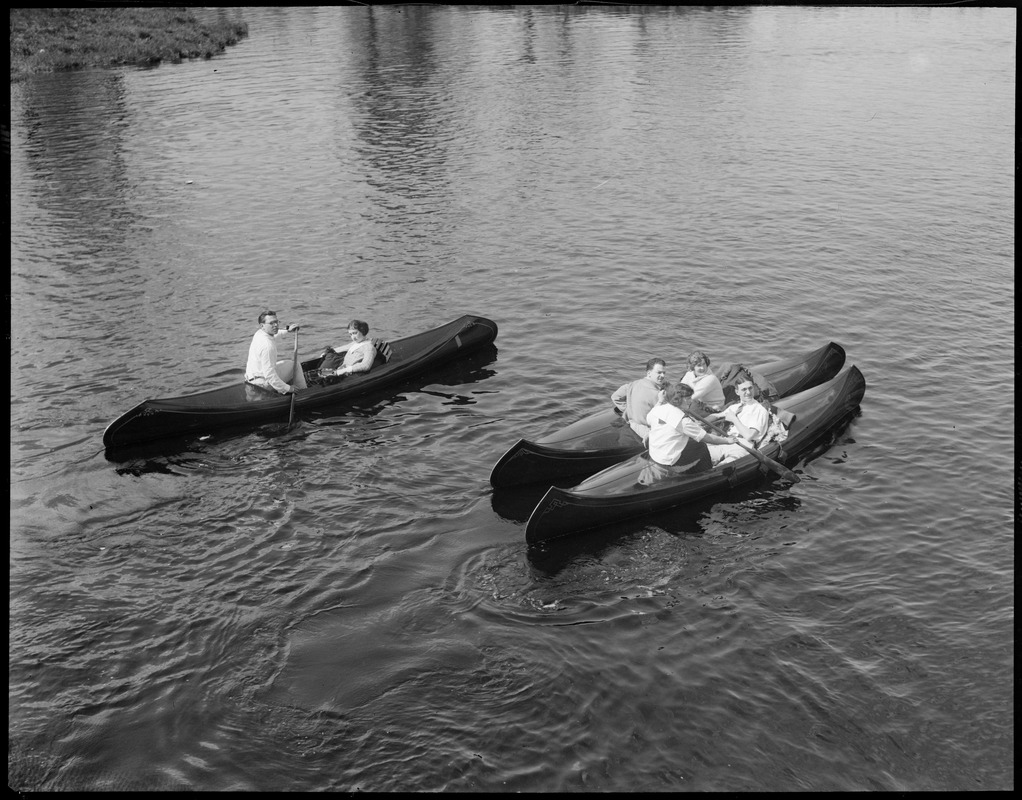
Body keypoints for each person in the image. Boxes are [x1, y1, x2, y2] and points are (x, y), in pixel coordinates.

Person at [645, 381, 737, 472]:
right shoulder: (683, 420)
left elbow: (649, 419)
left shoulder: (658, 408)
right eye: (688, 398)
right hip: (669, 461)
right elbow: (706, 438)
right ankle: (707, 473)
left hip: (655, 455)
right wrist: (727, 441)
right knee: (701, 446)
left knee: (690, 441)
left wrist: (660, 401)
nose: (691, 401)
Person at [704, 378, 772, 465]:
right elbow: (716, 416)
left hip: (743, 446)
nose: (748, 392)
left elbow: (749, 436)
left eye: (750, 388)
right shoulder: (734, 407)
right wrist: (699, 423)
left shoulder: (759, 410)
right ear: (737, 392)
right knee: (698, 457)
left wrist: (734, 419)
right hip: (725, 441)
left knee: (720, 469)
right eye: (744, 389)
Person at [245, 310, 306, 394]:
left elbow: (274, 335)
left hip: (251, 382)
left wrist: (287, 330)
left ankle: (286, 386)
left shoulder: (259, 334)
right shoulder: (267, 346)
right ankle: (303, 393)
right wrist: (288, 388)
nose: (276, 325)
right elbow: (269, 375)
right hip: (263, 385)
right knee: (296, 365)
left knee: (288, 364)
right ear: (262, 325)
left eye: (276, 322)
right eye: (271, 323)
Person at [611, 357, 668, 443]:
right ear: (649, 373)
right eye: (659, 372)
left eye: (664, 373)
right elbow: (663, 421)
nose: (663, 376)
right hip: (644, 432)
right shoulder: (658, 395)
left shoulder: (633, 384)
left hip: (630, 424)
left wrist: (629, 410)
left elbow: (615, 396)